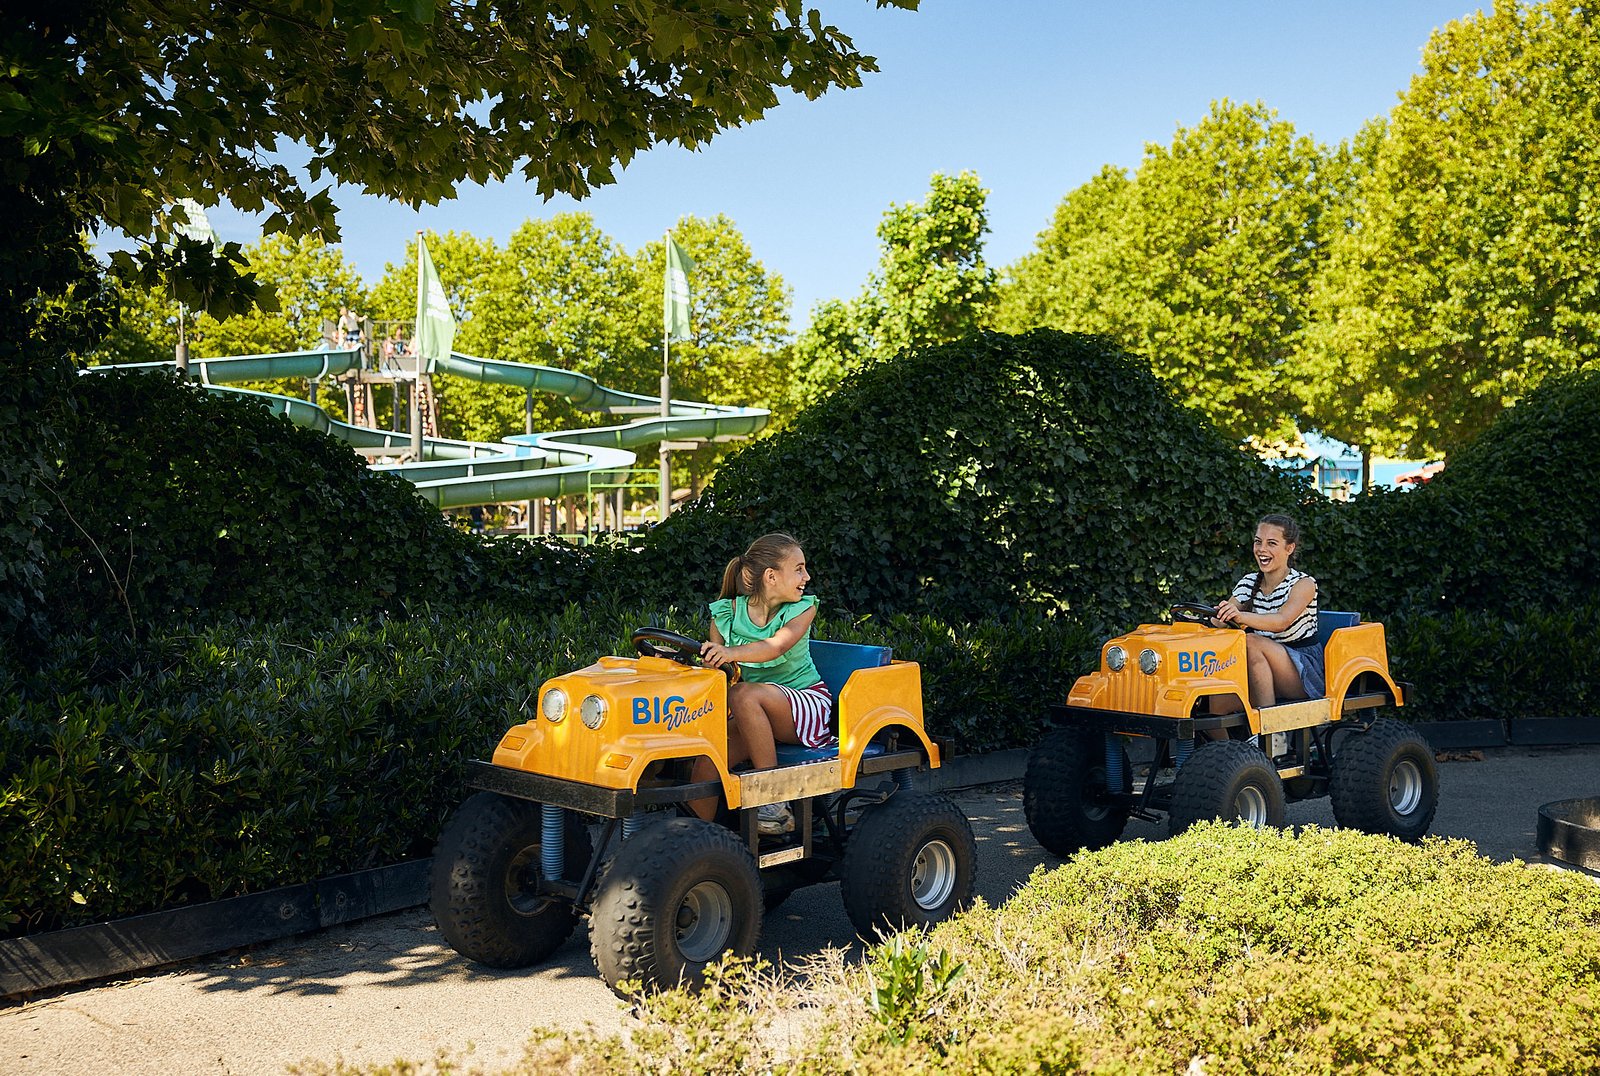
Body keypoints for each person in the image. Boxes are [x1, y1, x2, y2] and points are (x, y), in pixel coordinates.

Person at [689, 533, 830, 834]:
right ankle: (694, 842)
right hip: (749, 710)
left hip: (804, 704)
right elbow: (719, 674)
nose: (807, 576)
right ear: (771, 576)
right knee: (709, 757)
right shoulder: (727, 613)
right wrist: (711, 660)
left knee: (744, 695)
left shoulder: (802, 609)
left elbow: (776, 646)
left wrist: (730, 652)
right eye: (799, 568)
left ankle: (773, 801)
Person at [1208, 513, 1323, 715]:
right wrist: (1210, 618)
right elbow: (1221, 620)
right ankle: (1238, 747)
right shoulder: (1249, 582)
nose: (1262, 549)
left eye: (1271, 543)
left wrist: (1240, 616)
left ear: (1290, 548)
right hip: (1261, 667)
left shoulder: (1303, 584)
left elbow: (1281, 621)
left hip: (1302, 670)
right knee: (1215, 704)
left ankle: (1272, 734)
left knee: (1250, 640)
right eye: (1258, 542)